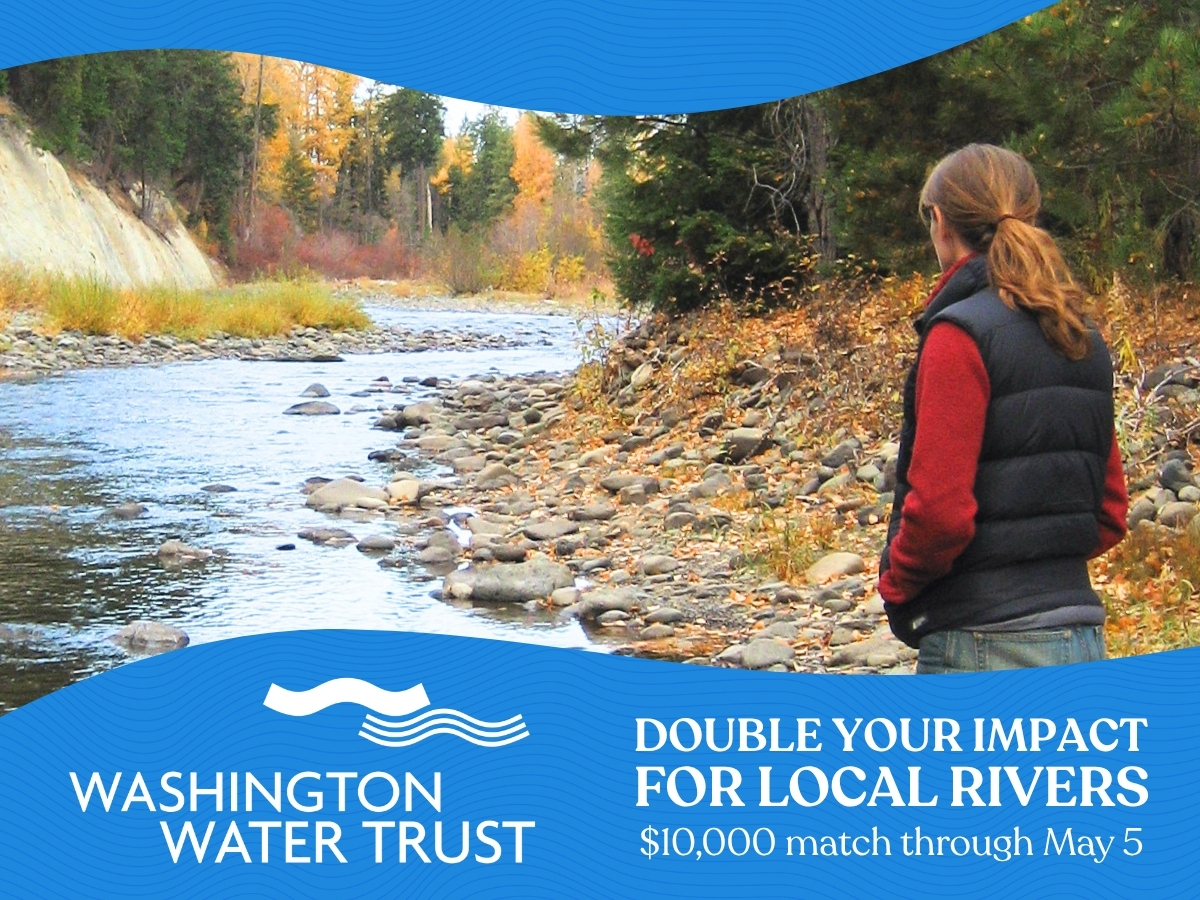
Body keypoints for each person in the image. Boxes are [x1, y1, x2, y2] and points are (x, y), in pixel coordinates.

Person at [876, 143, 1128, 673]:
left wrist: (896, 585)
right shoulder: (1080, 333)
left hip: (981, 642)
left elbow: (940, 514)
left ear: (941, 223)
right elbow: (1108, 511)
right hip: (1081, 638)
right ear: (1029, 216)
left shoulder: (959, 335)